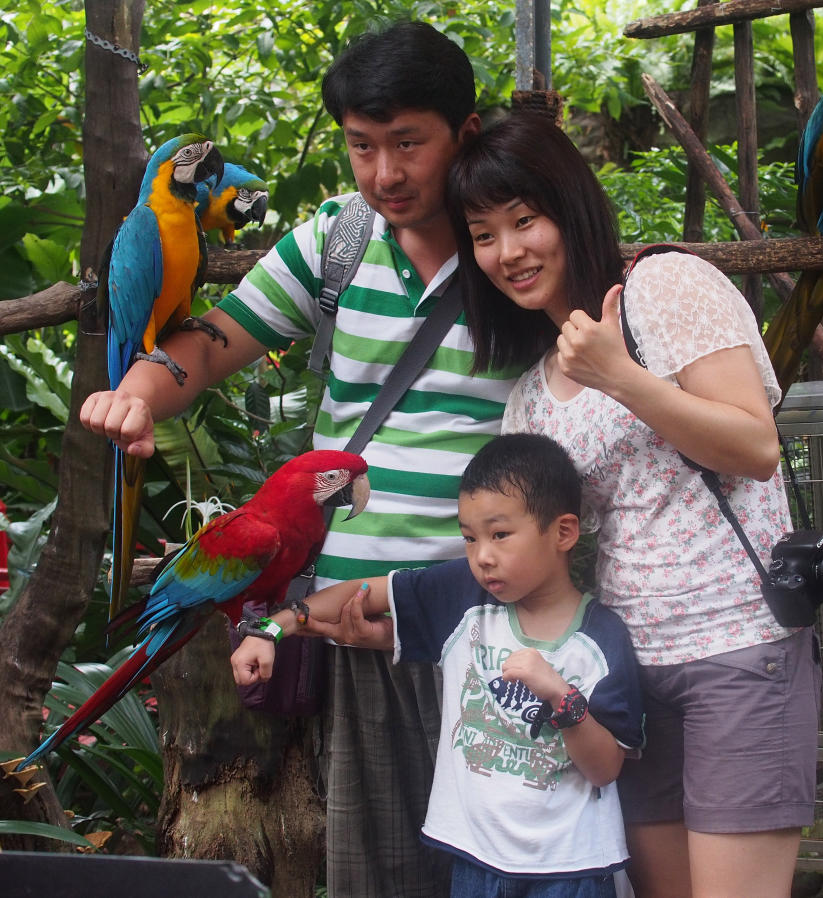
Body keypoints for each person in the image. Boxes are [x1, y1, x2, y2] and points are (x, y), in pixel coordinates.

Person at [78, 21, 515, 897]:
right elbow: (212, 339)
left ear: (463, 134)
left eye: (407, 144)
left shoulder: (518, 242)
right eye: (362, 147)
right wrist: (139, 395)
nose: (384, 174)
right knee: (381, 876)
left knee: (506, 868)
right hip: (354, 627)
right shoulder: (337, 239)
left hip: (492, 626)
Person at [445, 113, 822, 898]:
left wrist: (622, 377)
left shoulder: (666, 285)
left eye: (524, 220)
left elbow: (755, 446)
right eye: (483, 234)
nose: (508, 251)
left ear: (570, 206)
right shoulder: (530, 396)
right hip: (623, 678)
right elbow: (531, 554)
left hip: (738, 648)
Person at [230, 433, 645, 898]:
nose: (482, 556)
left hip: (573, 868)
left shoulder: (601, 639)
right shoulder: (463, 597)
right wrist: (272, 630)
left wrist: (560, 697)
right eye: (469, 538)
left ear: (564, 533)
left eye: (500, 535)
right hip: (472, 857)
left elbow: (605, 768)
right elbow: (360, 594)